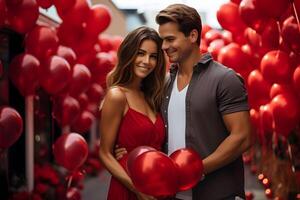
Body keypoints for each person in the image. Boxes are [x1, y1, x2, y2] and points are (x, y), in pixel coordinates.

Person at [116, 4, 252, 200]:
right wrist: (124, 149)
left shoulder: (224, 79)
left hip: (218, 194)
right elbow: (150, 127)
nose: (163, 46)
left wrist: (195, 169)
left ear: (193, 36)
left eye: (170, 39)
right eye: (162, 40)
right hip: (171, 194)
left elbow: (243, 137)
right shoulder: (164, 83)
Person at [98, 26, 166, 200]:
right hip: (128, 188)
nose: (146, 61)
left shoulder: (153, 96)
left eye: (153, 56)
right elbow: (105, 153)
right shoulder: (117, 96)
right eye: (140, 53)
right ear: (129, 53)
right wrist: (137, 190)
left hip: (156, 185)